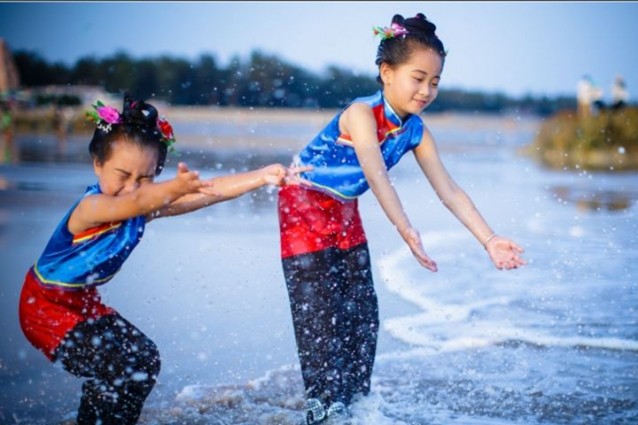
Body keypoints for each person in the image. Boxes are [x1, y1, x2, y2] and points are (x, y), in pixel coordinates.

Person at [277, 13, 527, 424]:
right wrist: (405, 228)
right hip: (303, 205)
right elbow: (375, 175)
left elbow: (448, 190)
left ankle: (356, 407)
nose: (427, 90)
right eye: (418, 77)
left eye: (435, 81)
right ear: (386, 72)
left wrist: (489, 239)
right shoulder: (360, 113)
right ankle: (322, 409)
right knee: (322, 315)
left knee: (362, 315)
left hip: (342, 208)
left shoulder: (416, 131)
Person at [18, 93, 308, 425]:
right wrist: (171, 188)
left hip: (83, 302)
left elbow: (206, 192)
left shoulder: (143, 204)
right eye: (122, 175)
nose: (131, 187)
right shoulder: (93, 208)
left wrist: (263, 175)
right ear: (97, 164)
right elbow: (135, 203)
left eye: (144, 178)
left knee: (144, 360)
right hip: (44, 308)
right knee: (118, 366)